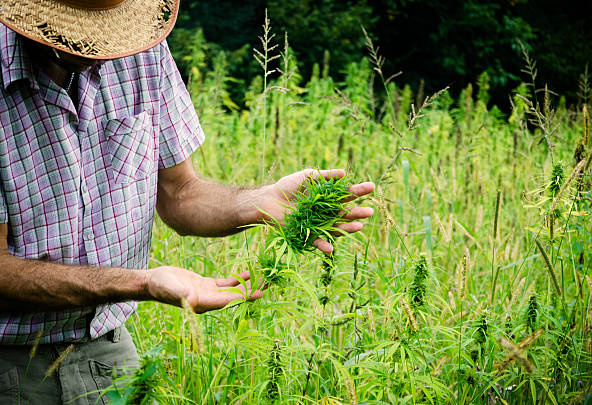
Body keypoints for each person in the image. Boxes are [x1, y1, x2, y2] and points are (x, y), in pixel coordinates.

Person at [0, 0, 375, 403]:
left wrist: (260, 202)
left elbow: (180, 192)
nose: (103, 52)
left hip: (109, 348)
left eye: (107, 30)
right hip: (12, 363)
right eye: (82, 36)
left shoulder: (138, 48)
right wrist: (141, 283)